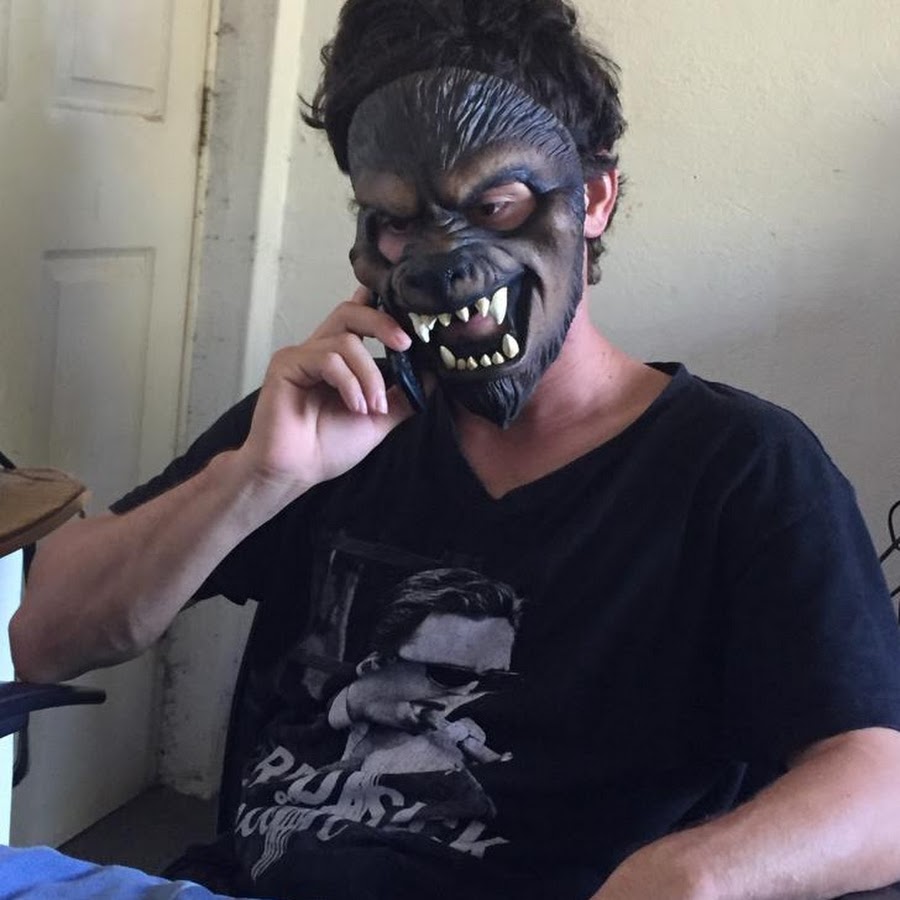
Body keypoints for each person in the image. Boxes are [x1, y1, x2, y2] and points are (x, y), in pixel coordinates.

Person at [10, 1, 900, 898]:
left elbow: (880, 789)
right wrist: (255, 480)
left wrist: (688, 879)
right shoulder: (330, 420)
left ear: (594, 198)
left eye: (495, 205)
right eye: (397, 223)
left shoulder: (740, 466)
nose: (443, 263)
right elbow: (40, 639)